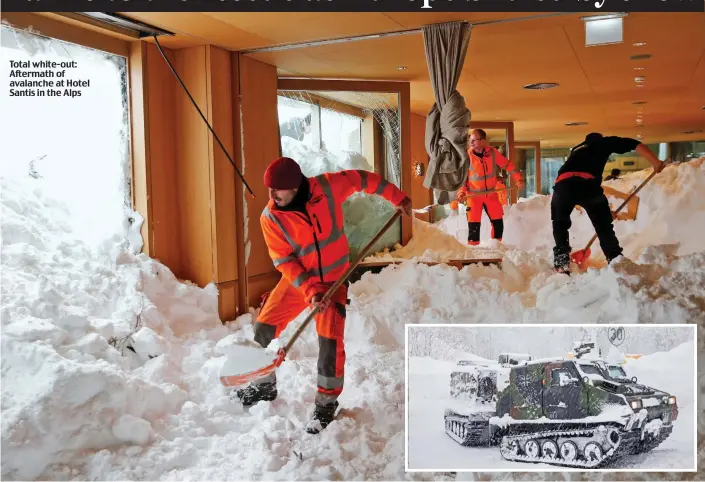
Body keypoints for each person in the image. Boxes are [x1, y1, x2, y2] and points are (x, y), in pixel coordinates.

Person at [235, 157, 412, 434]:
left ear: (295, 187)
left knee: (329, 345)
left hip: (333, 281)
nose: (272, 196)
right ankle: (263, 384)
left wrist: (397, 197)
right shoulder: (271, 217)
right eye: (269, 189)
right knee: (262, 330)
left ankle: (326, 403)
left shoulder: (328, 187)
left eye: (277, 190)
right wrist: (309, 290)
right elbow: (284, 260)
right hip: (299, 282)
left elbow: (364, 179)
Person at [551, 133, 666, 273]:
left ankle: (562, 264)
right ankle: (616, 263)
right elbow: (634, 143)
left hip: (562, 187)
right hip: (588, 186)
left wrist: (604, 212)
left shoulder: (577, 152)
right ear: (600, 140)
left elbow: (574, 189)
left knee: (560, 224)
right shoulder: (603, 143)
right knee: (604, 227)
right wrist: (655, 162)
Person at [453, 129, 524, 245]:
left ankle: (495, 248)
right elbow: (462, 180)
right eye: (470, 140)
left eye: (473, 140)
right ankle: (473, 253)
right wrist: (461, 193)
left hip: (491, 194)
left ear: (482, 141)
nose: (471, 143)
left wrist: (518, 179)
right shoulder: (466, 157)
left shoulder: (493, 153)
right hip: (473, 196)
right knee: (473, 227)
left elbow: (508, 165)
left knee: (498, 224)